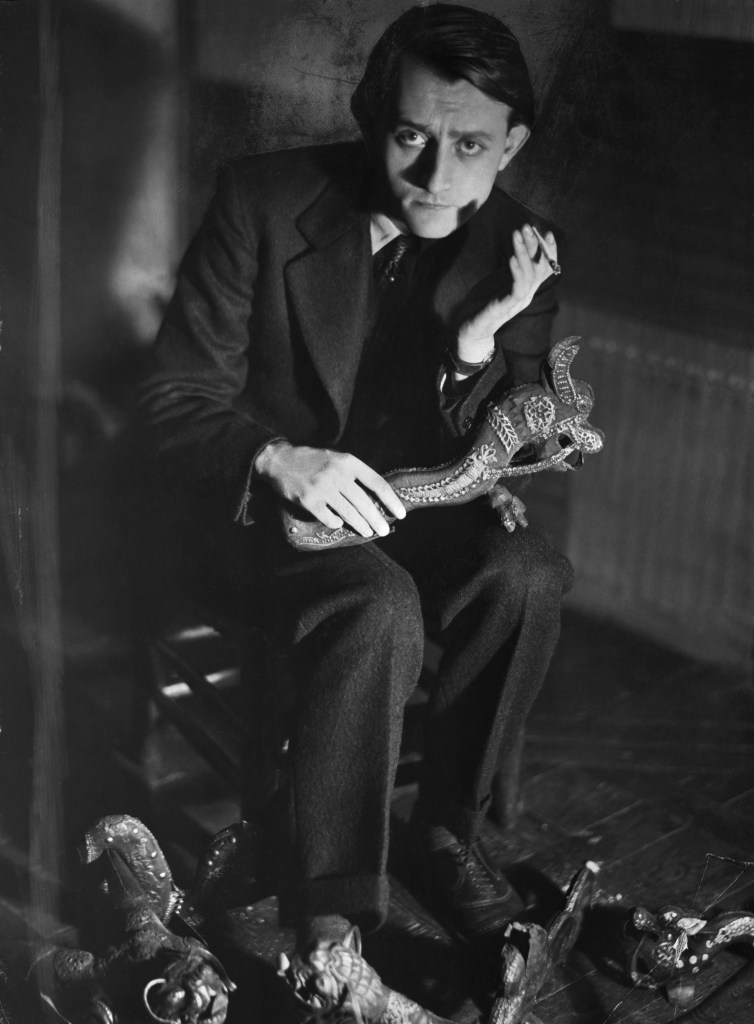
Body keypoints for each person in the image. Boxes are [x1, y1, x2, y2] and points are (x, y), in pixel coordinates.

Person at [141, 2, 573, 967]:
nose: (437, 175)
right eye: (413, 135)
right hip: (252, 515)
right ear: (371, 111)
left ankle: (447, 832)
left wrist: (474, 351)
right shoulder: (262, 198)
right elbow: (171, 393)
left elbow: (524, 426)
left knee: (531, 572)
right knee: (376, 603)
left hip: (417, 505)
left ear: (513, 145)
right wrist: (276, 456)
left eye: (471, 144)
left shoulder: (523, 250)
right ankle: (328, 906)